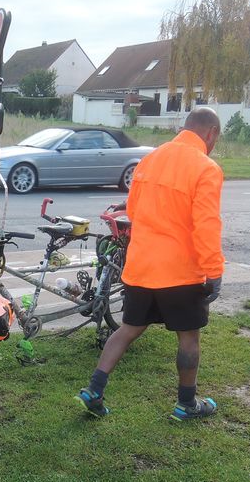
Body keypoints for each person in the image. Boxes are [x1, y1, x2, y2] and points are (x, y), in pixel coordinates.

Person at [78, 107, 224, 421]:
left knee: (129, 329)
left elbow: (133, 207)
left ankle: (93, 390)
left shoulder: (150, 160)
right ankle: (187, 404)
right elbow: (207, 225)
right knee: (189, 337)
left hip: (141, 267)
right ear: (211, 133)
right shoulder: (205, 168)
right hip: (180, 272)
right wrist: (214, 271)